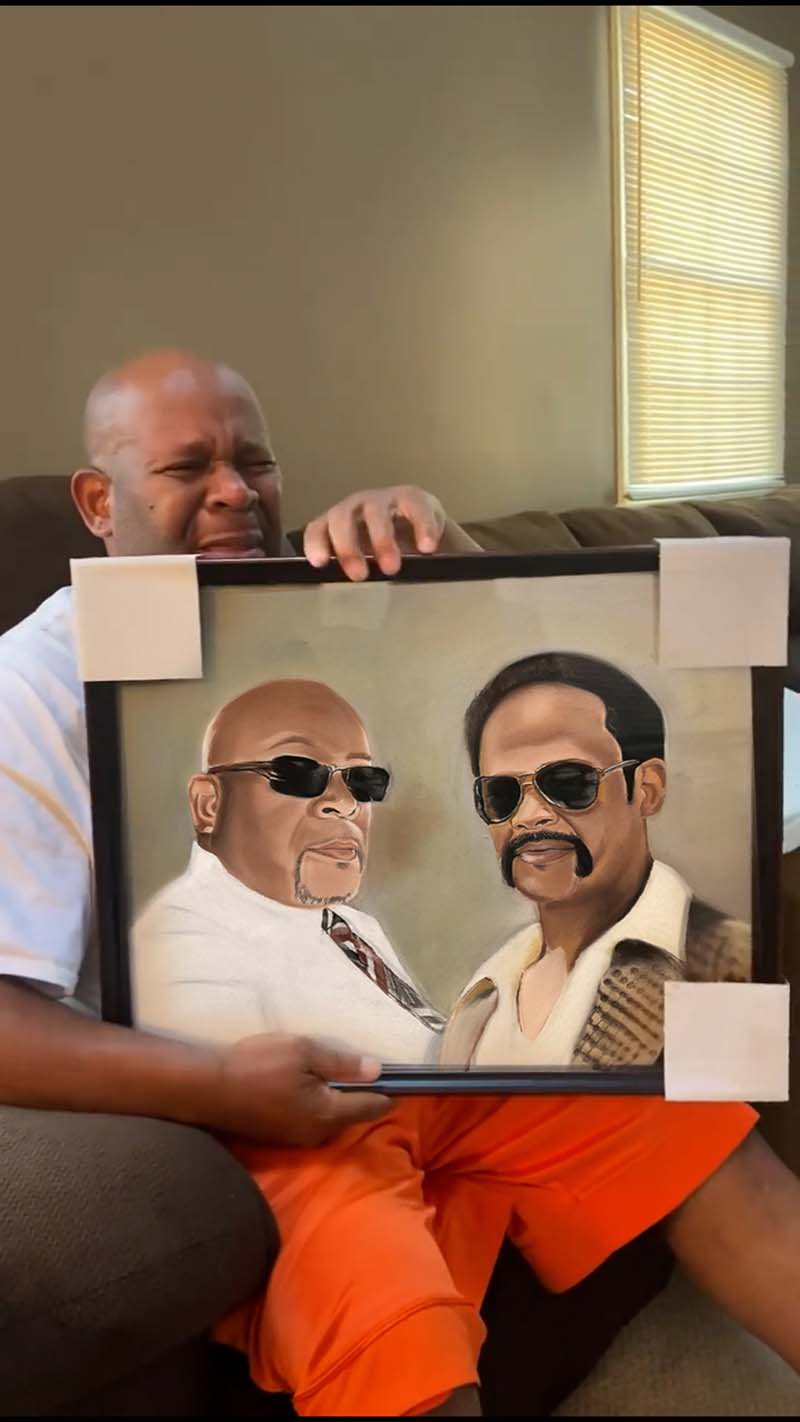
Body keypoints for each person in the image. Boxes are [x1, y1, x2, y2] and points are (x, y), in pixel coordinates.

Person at [0, 349, 797, 1417]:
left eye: (255, 462)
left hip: (424, 1062)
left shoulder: (300, 606)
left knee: (696, 1132)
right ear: (99, 501)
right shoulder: (32, 692)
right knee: (390, 1320)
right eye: (186, 468)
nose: (236, 492)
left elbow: (550, 679)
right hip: (240, 1098)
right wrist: (217, 1091)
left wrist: (448, 553)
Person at [441, 652, 750, 1069]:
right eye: (502, 793)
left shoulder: (731, 963)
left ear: (647, 789)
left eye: (568, 782)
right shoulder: (482, 997)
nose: (530, 816)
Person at [133, 678, 444, 1057]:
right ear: (208, 805)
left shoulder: (354, 928)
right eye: (299, 773)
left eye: (363, 781)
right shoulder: (184, 948)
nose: (345, 803)